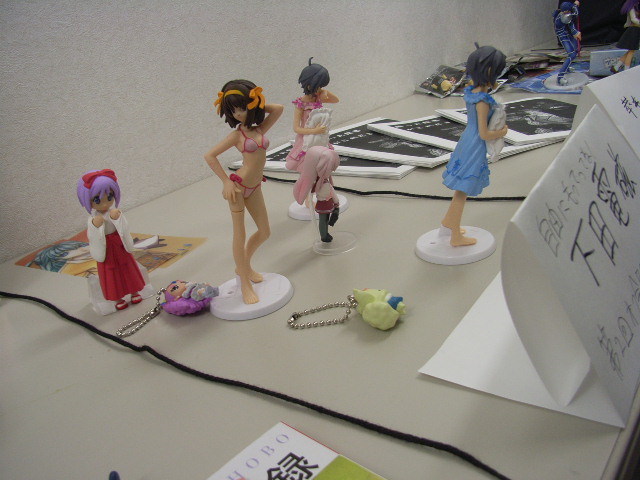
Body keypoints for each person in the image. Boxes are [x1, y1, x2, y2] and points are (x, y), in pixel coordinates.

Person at [204, 80, 283, 304]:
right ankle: (245, 284)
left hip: (255, 186)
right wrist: (225, 182)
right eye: (233, 110)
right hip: (238, 188)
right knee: (240, 235)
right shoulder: (236, 136)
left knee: (265, 232)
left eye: (242, 108)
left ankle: (244, 266)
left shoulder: (259, 129)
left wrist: (256, 103)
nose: (238, 114)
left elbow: (278, 109)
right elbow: (210, 155)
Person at [440, 45, 508, 247]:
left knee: (461, 189)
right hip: (475, 145)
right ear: (490, 72)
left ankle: (448, 222)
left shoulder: (471, 92)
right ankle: (455, 236)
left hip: (467, 140)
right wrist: (502, 132)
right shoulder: (483, 101)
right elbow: (484, 133)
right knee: (463, 190)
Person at [76, 169, 147, 310]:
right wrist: (96, 225)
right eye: (97, 200)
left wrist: (117, 218)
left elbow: (124, 228)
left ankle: (134, 291)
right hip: (107, 250)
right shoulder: (93, 218)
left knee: (128, 268)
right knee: (111, 274)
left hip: (119, 246)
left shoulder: (114, 212)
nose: (104, 203)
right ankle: (117, 298)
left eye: (109, 197)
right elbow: (92, 235)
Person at [286, 58, 339, 172]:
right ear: (309, 84)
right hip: (306, 140)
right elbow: (296, 128)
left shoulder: (318, 97)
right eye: (318, 86)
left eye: (321, 86)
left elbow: (336, 100)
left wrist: (325, 92)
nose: (319, 89)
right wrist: (314, 131)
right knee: (307, 166)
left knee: (322, 164)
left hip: (319, 138)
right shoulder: (300, 103)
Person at [553, 1, 581, 86]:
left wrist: (574, 5)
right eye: (568, 10)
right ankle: (560, 77)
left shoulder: (564, 14)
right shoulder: (564, 17)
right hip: (563, 36)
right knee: (572, 54)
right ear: (565, 11)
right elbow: (575, 14)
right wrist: (575, 5)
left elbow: (571, 23)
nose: (569, 12)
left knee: (576, 48)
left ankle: (567, 68)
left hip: (566, 34)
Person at [611, 0, 640, 73]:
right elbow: (633, 19)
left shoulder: (637, 5)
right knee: (631, 51)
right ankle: (626, 70)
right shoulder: (632, 7)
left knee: (631, 50)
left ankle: (616, 67)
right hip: (633, 30)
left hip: (637, 30)